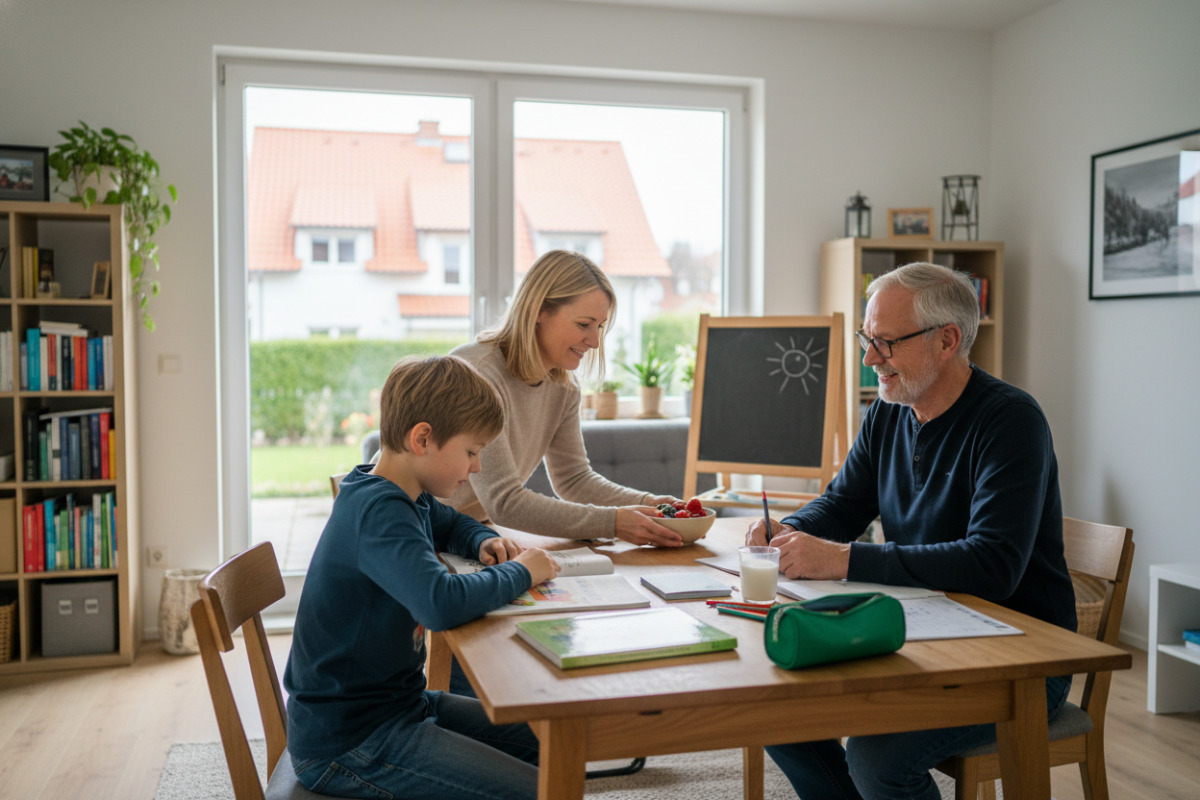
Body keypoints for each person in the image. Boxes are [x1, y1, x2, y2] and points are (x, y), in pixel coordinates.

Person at [746, 262, 1076, 800]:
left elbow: (992, 564)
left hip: (1022, 660)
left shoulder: (1011, 422)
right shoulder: (887, 414)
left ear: (947, 340)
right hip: (922, 630)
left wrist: (843, 559)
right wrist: (788, 530)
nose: (869, 357)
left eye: (886, 342)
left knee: (877, 760)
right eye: (867, 338)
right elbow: (843, 503)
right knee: (771, 705)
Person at [284, 355, 559, 800]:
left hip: (399, 706)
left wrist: (480, 541)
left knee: (550, 744)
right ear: (423, 438)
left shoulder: (401, 493)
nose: (476, 468)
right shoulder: (380, 511)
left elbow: (450, 523)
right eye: (471, 452)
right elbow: (440, 603)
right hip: (350, 741)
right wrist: (521, 571)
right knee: (536, 791)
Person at [448, 249, 684, 548]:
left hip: (462, 532)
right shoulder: (476, 374)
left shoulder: (563, 386)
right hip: (406, 525)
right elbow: (504, 502)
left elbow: (574, 479)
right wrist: (613, 523)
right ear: (538, 312)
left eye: (599, 326)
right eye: (584, 324)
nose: (595, 341)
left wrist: (649, 504)